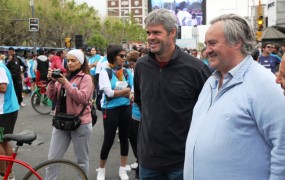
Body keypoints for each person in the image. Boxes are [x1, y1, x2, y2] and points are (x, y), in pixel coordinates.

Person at [184, 14, 285, 180]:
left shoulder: (263, 83)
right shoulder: (211, 81)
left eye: (212, 43)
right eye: (206, 44)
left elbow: (282, 145)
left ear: (237, 42)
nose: (207, 50)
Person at [133, 8, 211, 180]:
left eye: (156, 32)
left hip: (183, 160)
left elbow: (210, 112)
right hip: (149, 160)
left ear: (172, 33)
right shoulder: (141, 66)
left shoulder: (196, 68)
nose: (150, 37)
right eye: (148, 32)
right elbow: (141, 103)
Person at [46, 49, 94, 178]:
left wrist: (65, 83)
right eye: (68, 60)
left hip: (80, 122)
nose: (70, 63)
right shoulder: (63, 76)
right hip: (60, 121)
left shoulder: (86, 78)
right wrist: (51, 81)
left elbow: (82, 98)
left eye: (74, 60)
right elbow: (52, 97)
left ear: (81, 62)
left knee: (82, 161)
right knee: (52, 159)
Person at [96, 45, 133, 180]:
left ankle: (123, 169)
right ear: (113, 56)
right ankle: (101, 169)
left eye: (125, 56)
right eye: (121, 56)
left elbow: (133, 90)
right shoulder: (106, 72)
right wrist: (126, 91)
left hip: (126, 109)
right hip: (110, 110)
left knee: (124, 139)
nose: (124, 58)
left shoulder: (127, 72)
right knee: (108, 140)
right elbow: (109, 93)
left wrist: (127, 92)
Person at [0, 62, 19, 179]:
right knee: (4, 141)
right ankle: (8, 173)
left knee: (1, 141)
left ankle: (3, 173)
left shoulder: (0, 68)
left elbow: (3, 87)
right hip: (8, 110)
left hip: (5, 111)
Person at [126, 50, 140, 179]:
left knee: (141, 139)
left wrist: (134, 95)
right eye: (130, 63)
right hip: (134, 111)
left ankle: (141, 163)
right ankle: (138, 159)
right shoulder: (131, 72)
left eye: (134, 62)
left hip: (144, 113)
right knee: (132, 136)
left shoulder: (145, 72)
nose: (132, 65)